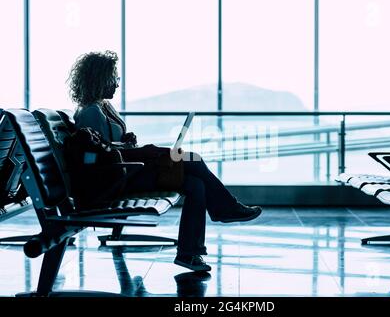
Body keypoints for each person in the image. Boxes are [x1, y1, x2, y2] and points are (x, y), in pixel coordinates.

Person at [67, 50, 262, 272]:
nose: (117, 84)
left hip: (126, 172)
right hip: (119, 179)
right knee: (193, 160)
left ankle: (191, 252)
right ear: (100, 79)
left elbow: (106, 146)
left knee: (195, 185)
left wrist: (126, 142)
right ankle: (225, 209)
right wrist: (139, 152)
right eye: (114, 78)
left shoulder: (102, 107)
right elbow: (95, 158)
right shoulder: (91, 112)